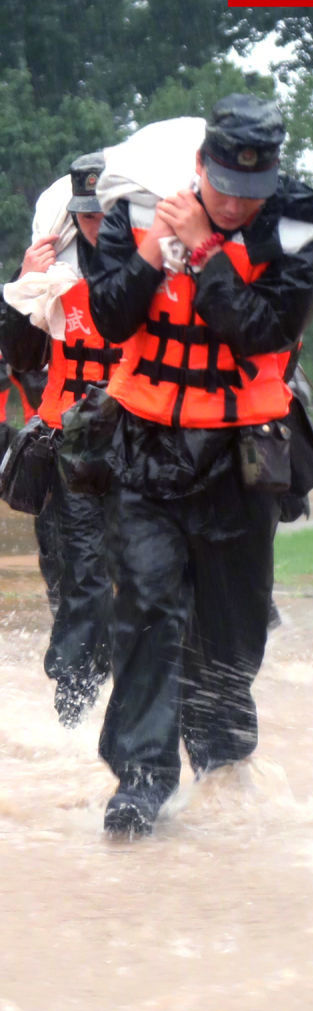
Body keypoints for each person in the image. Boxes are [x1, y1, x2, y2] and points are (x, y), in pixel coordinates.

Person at [88, 95, 313, 838]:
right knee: (147, 605)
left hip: (242, 455)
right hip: (145, 448)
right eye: (224, 187)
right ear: (201, 166)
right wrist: (153, 252)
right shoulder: (137, 213)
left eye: (249, 192)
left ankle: (222, 767)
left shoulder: (297, 232)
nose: (234, 204)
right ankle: (141, 779)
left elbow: (263, 331)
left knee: (232, 628)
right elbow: (107, 316)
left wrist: (203, 251)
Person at [0, 154, 120, 724]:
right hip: (62, 445)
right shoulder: (51, 274)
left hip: (132, 446)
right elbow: (22, 358)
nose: (95, 225)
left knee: (120, 577)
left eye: (104, 214)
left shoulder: (149, 273)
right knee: (72, 577)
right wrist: (22, 287)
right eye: (86, 215)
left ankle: (107, 696)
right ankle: (76, 707)